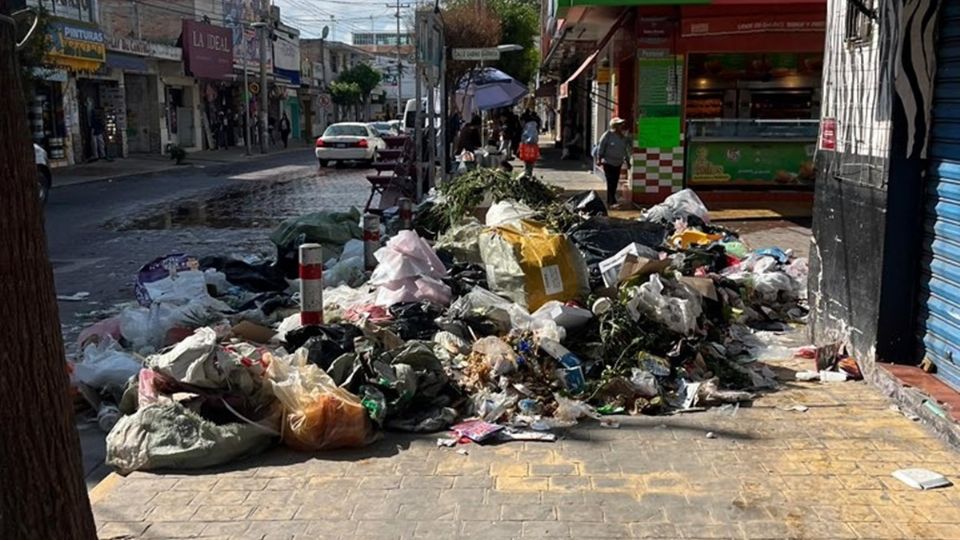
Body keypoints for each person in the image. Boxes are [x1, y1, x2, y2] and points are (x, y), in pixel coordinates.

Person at [596, 117, 631, 208]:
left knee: (615, 181)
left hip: (618, 163)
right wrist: (599, 159)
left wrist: (627, 161)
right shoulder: (608, 135)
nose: (621, 126)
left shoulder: (623, 137)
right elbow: (601, 147)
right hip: (608, 162)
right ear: (615, 126)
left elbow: (625, 150)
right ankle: (611, 201)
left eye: (621, 124)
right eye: (619, 125)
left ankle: (612, 200)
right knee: (610, 181)